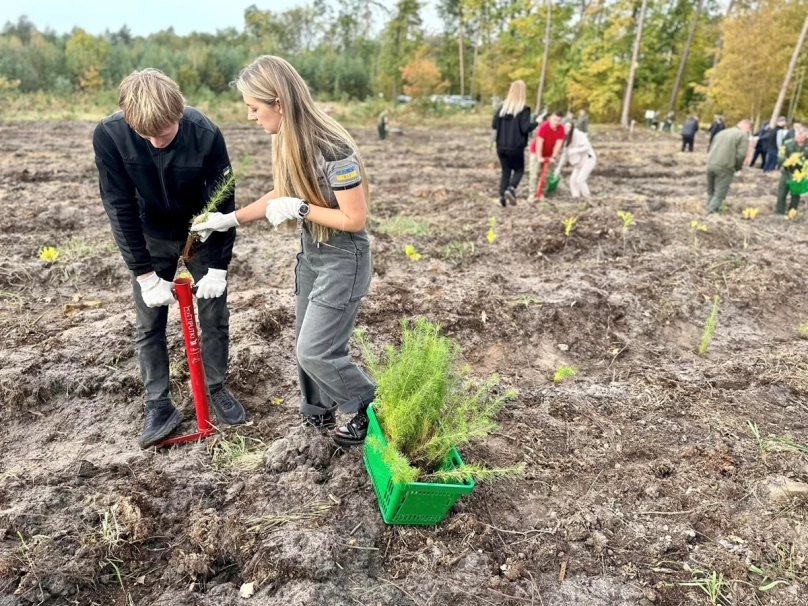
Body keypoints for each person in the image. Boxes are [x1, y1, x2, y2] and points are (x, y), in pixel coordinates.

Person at [190, 55, 374, 448]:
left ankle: (366, 406)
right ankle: (317, 415)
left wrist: (303, 208)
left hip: (344, 258)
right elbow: (281, 193)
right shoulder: (289, 141)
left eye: (254, 108)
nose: (252, 117)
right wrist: (228, 219)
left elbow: (355, 218)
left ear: (279, 103)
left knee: (316, 349)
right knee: (303, 344)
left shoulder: (333, 147)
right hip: (312, 254)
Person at [93, 69, 245, 448]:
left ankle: (215, 387)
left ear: (179, 112)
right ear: (130, 121)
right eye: (147, 136)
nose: (157, 143)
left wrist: (218, 267)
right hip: (150, 233)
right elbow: (119, 206)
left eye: (165, 132)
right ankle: (158, 403)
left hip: (201, 229)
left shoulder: (205, 133)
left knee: (213, 314)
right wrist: (144, 275)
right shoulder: (110, 136)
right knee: (148, 323)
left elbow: (223, 199)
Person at [492, 80, 537, 206]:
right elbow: (525, 128)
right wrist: (536, 122)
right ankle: (511, 188)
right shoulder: (524, 109)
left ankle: (502, 199)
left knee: (506, 171)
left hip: (500, 145)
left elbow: (494, 125)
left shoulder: (502, 108)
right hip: (515, 146)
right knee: (519, 169)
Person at [705, 120, 752, 214]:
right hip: (725, 167)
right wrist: (737, 168)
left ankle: (711, 213)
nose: (748, 132)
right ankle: (709, 215)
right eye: (749, 130)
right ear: (747, 127)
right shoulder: (742, 135)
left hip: (710, 164)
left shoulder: (721, 133)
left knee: (711, 192)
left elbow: (710, 147)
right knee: (719, 194)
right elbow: (742, 154)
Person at [529, 110, 566, 199]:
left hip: (549, 154)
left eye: (559, 120)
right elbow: (539, 142)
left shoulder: (561, 128)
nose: (556, 122)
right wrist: (539, 157)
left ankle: (542, 194)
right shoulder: (544, 126)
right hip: (536, 151)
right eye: (554, 119)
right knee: (535, 173)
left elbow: (558, 144)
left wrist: (553, 157)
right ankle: (532, 194)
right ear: (551, 118)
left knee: (547, 174)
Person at [775, 126, 808, 215]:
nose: (799, 139)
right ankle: (779, 211)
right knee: (782, 192)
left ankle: (792, 211)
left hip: (800, 173)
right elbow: (780, 155)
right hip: (787, 171)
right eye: (797, 137)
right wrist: (787, 161)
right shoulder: (787, 143)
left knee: (795, 193)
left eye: (801, 137)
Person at [563, 123, 596, 198]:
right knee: (572, 181)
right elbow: (565, 153)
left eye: (569, 127)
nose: (567, 129)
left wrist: (575, 150)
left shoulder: (579, 135)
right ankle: (576, 197)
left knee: (580, 180)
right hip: (578, 162)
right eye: (565, 127)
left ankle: (587, 197)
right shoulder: (567, 138)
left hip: (588, 160)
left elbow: (586, 147)